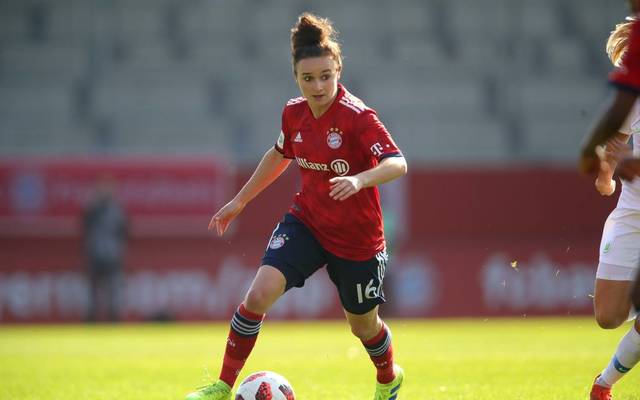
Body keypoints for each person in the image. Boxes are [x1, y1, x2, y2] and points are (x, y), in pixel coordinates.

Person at [186, 13, 407, 400]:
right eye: (308, 79)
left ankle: (388, 378)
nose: (318, 86)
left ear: (338, 69)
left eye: (325, 75)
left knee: (363, 326)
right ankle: (222, 386)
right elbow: (279, 154)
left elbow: (397, 163)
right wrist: (239, 201)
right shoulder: (294, 112)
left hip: (357, 239)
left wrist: (359, 179)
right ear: (296, 78)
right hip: (307, 223)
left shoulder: (358, 118)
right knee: (257, 296)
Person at [578, 4, 640, 399]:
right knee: (608, 316)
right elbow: (615, 139)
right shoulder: (632, 95)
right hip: (633, 210)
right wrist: (604, 176)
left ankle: (603, 386)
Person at [83, 175, 128, 322]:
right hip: (95, 254)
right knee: (93, 290)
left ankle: (113, 318)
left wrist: (121, 251)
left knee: (113, 289)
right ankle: (91, 317)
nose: (106, 193)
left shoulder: (117, 210)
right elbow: (85, 227)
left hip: (112, 255)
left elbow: (125, 232)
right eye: (103, 190)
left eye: (108, 190)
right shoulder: (92, 209)